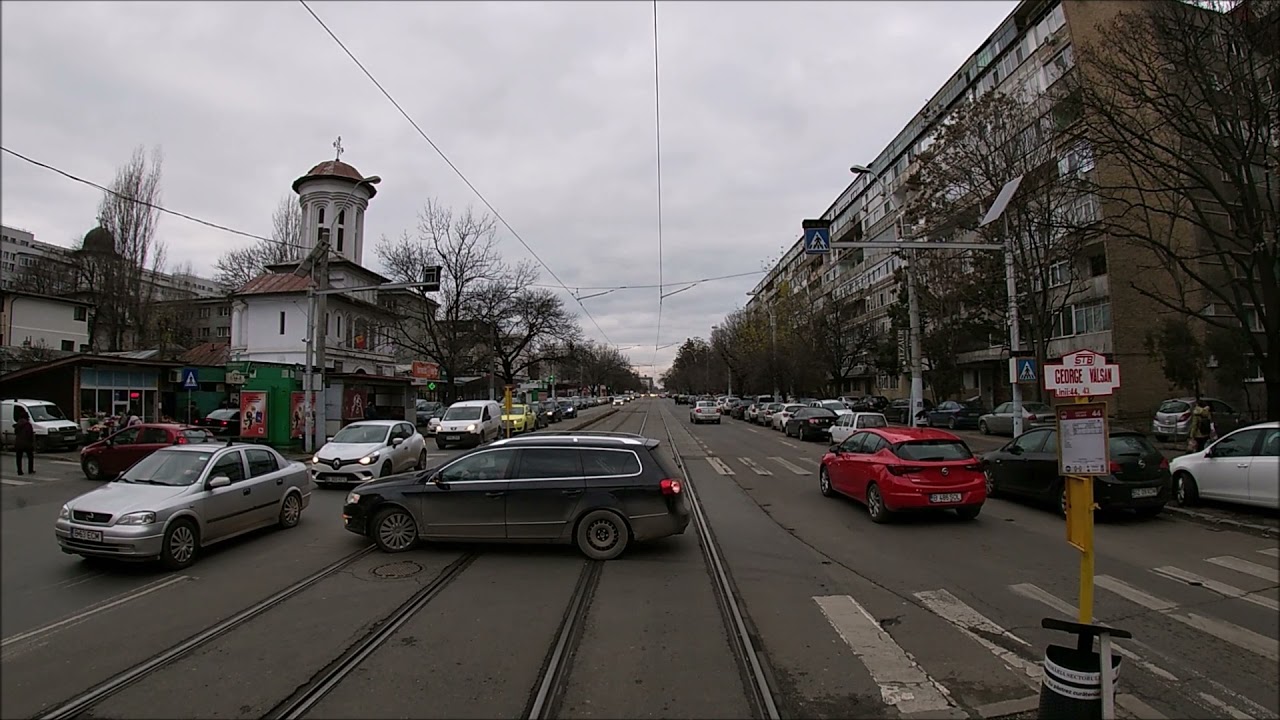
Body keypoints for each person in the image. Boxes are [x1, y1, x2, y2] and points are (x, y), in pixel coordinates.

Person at [13, 407, 35, 476]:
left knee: (18, 458)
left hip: (18, 443)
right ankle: (30, 470)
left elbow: (15, 432)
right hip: (26, 443)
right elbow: (30, 434)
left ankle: (19, 471)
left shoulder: (18, 424)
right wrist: (32, 443)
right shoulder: (28, 425)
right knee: (30, 457)